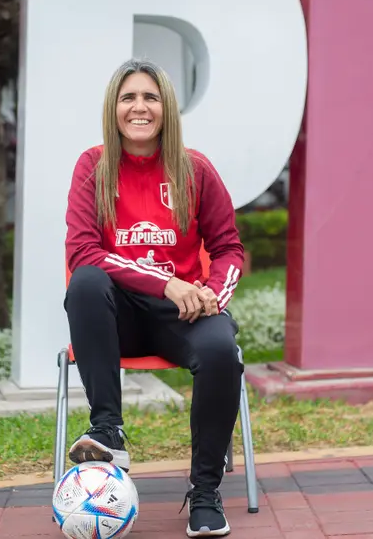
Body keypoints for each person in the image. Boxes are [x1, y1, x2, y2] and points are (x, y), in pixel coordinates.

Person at [63, 58, 245, 538]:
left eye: (150, 97)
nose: (139, 107)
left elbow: (228, 249)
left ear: (166, 108)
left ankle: (205, 493)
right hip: (115, 316)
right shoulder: (94, 167)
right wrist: (165, 282)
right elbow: (84, 251)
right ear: (113, 108)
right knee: (84, 283)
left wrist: (211, 295)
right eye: (128, 97)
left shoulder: (195, 169)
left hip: (180, 315)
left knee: (221, 349)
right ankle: (108, 430)